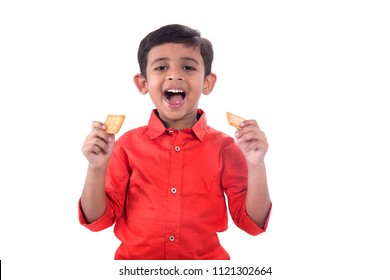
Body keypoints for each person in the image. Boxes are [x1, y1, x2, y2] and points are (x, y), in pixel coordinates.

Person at [79, 24, 272, 260]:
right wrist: (96, 168)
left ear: (207, 83)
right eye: (161, 67)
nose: (174, 74)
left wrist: (256, 164)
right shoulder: (125, 146)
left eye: (188, 67)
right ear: (143, 83)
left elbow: (252, 224)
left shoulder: (226, 147)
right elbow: (96, 221)